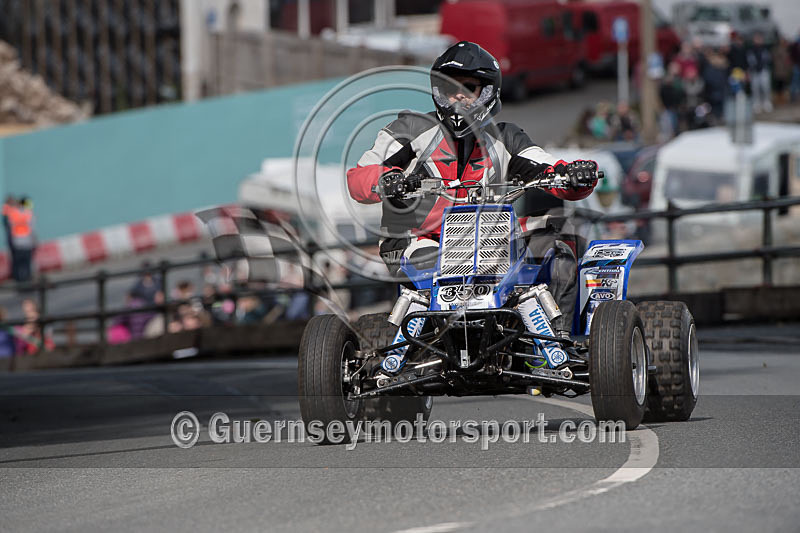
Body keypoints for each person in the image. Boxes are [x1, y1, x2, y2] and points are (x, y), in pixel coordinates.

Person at [346, 41, 599, 342]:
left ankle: (554, 343)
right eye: (448, 87)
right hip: (420, 242)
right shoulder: (408, 129)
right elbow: (358, 178)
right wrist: (388, 180)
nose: (457, 96)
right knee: (429, 269)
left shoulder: (506, 138)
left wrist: (575, 176)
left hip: (493, 241)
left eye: (468, 87)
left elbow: (549, 168)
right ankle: (401, 352)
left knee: (561, 240)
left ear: (488, 92)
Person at [746, 32, 773, 113]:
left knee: (765, 88)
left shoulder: (765, 49)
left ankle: (766, 103)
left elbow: (768, 59)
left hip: (763, 70)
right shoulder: (751, 49)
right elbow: (750, 60)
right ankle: (756, 104)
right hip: (754, 71)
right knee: (755, 89)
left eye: (759, 39)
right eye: (756, 39)